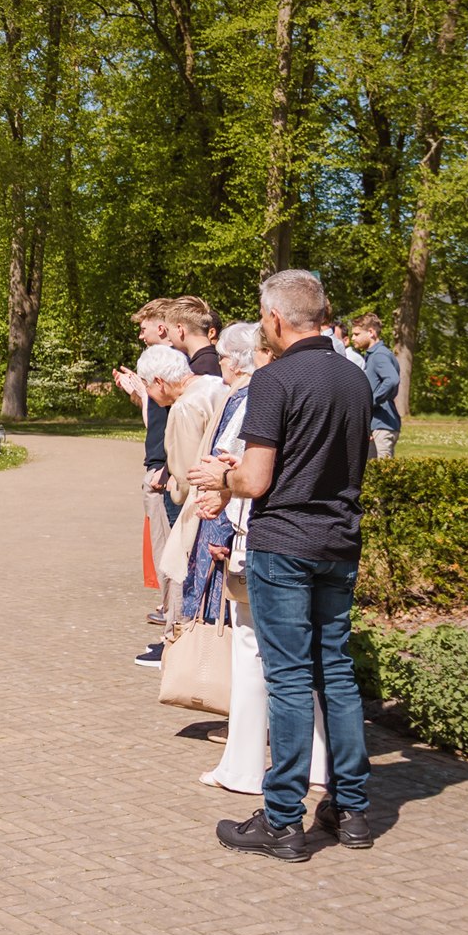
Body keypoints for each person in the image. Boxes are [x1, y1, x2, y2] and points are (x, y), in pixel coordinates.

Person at [198, 268, 375, 860]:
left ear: (275, 318)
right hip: (339, 541)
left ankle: (281, 821)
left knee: (290, 678)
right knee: (336, 673)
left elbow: (256, 479)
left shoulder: (274, 380)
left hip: (284, 543)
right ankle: (351, 809)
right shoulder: (355, 379)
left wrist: (220, 478)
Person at [186, 324, 331, 796]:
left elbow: (239, 473)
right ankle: (318, 764)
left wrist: (221, 513)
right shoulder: (332, 382)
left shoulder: (264, 393)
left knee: (252, 652)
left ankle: (245, 766)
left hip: (263, 537)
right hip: (321, 536)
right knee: (311, 655)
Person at [131, 344, 223, 667]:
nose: (149, 395)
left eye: (148, 387)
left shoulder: (184, 407)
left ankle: (183, 648)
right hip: (223, 498)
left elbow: (184, 476)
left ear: (160, 381)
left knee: (184, 573)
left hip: (200, 505)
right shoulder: (216, 386)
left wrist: (175, 491)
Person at [114, 299, 176, 629]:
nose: (141, 336)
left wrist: (142, 390)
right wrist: (139, 393)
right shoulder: (170, 367)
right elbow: (154, 420)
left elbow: (165, 426)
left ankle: (172, 611)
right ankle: (170, 606)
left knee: (166, 545)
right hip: (160, 465)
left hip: (162, 470)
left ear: (161, 327)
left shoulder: (168, 368)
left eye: (143, 329)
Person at [351, 315, 401, 458]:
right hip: (379, 424)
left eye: (357, 334)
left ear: (371, 332)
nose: (353, 338)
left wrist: (372, 401)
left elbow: (392, 380)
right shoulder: (375, 355)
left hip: (382, 425)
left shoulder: (379, 355)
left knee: (382, 470)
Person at [167, 297, 223, 378]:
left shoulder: (201, 369)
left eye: (168, 330)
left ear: (180, 329)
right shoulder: (218, 360)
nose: (168, 338)